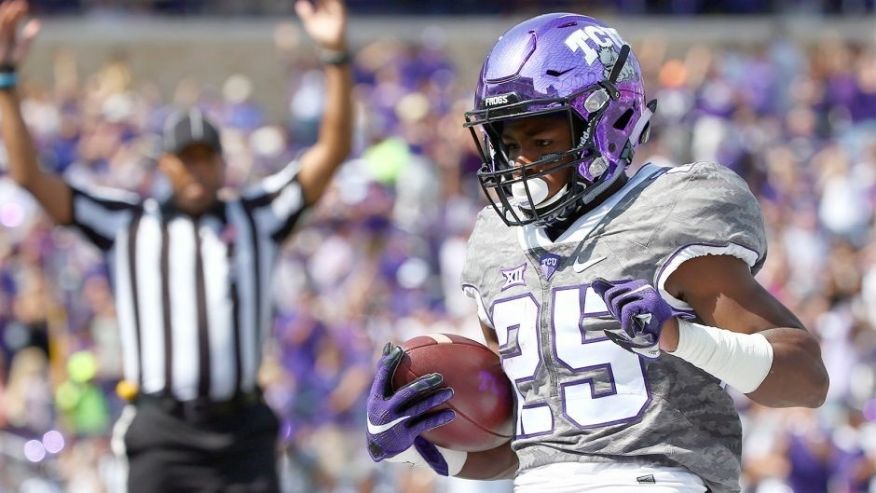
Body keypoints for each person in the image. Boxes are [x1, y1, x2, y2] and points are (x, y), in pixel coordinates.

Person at [365, 13, 829, 493]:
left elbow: (807, 380)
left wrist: (681, 337)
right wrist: (418, 445)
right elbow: (535, 445)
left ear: (611, 123)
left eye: (541, 140)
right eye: (509, 144)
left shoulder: (668, 213)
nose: (521, 163)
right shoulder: (496, 242)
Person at [0, 0, 352, 491]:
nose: (196, 170)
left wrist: (335, 56)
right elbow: (30, 178)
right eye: (185, 159)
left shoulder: (256, 214)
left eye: (206, 158)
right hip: (162, 431)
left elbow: (331, 152)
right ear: (165, 165)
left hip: (242, 430)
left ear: (222, 164)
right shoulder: (128, 222)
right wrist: (6, 79)